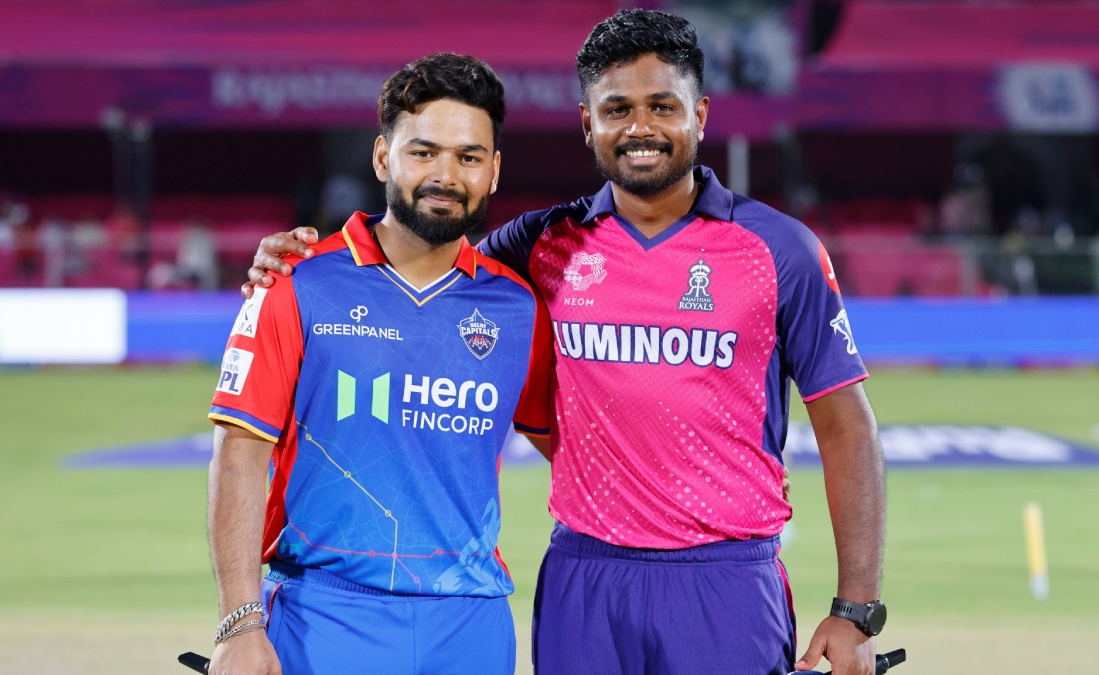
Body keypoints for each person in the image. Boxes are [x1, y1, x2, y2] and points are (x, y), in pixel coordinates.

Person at [244, 10, 886, 675]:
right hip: (584, 578)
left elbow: (847, 427)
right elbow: (421, 265)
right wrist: (300, 260)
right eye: (617, 109)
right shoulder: (539, 245)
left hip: (724, 579)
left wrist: (856, 608)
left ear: (699, 115)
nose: (640, 127)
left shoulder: (779, 250)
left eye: (663, 106)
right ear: (587, 122)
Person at [206, 53, 553, 675]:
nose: (445, 175)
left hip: (472, 626)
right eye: (423, 152)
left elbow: (574, 450)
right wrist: (241, 621)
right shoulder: (295, 282)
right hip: (324, 616)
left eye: (469, 157)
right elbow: (239, 453)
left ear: (494, 171)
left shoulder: (519, 307)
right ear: (382, 157)